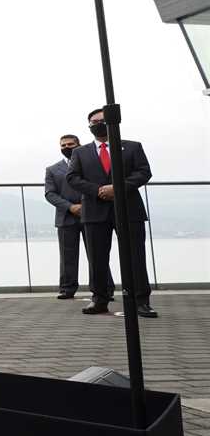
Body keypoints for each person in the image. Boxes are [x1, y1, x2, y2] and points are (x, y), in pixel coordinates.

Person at [67, 108, 156, 318]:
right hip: (94, 211)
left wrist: (117, 187)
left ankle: (141, 301)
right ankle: (99, 300)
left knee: (135, 256)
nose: (97, 124)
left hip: (128, 209)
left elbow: (144, 172)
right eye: (93, 121)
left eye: (102, 120)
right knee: (97, 258)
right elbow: (72, 178)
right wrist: (98, 191)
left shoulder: (132, 147)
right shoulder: (80, 152)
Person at [44, 133, 94, 301]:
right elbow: (50, 194)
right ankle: (67, 289)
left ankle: (103, 288)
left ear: (78, 145)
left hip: (91, 214)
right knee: (67, 256)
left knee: (96, 254)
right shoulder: (52, 169)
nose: (66, 148)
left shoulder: (89, 164)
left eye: (70, 145)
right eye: (63, 145)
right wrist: (70, 207)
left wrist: (84, 206)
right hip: (66, 216)